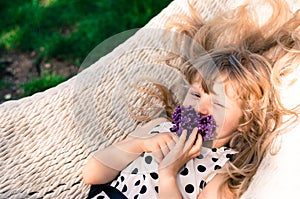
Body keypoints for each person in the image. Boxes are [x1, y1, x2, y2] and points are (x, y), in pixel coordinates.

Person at [82, 44, 285, 198]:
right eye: (196, 96)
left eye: (219, 104)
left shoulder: (224, 171)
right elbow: (92, 174)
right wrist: (139, 145)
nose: (200, 109)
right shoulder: (158, 127)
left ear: (245, 122)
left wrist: (168, 173)